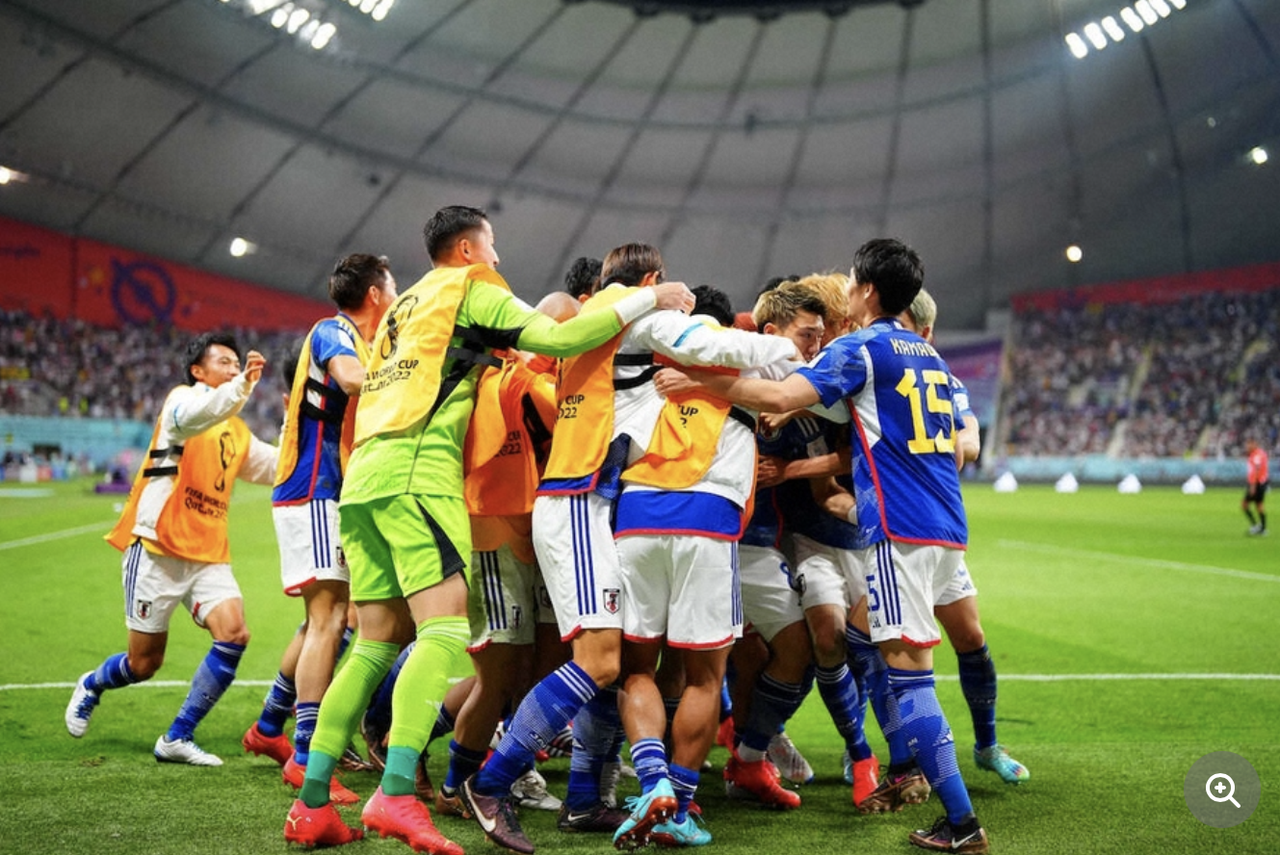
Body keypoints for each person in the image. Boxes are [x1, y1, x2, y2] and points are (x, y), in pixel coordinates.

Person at [282, 206, 695, 854]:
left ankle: (311, 804)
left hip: (363, 479)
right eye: (492, 246)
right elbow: (558, 339)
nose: (499, 259)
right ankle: (395, 793)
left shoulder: (405, 304)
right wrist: (647, 300)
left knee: (374, 644)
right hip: (418, 476)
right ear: (469, 249)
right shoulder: (472, 287)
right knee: (444, 633)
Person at [457, 246, 796, 854]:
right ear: (651, 279)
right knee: (602, 664)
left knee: (611, 662)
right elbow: (716, 345)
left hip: (596, 504)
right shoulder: (634, 312)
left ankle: (587, 793)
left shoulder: (595, 324)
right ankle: (490, 782)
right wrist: (787, 349)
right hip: (581, 501)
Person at [655, 238, 989, 854]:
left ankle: (960, 820)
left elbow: (783, 395)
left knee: (908, 676)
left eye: (853, 283)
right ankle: (916, 783)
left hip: (898, 530)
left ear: (867, 289)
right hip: (947, 525)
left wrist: (701, 379)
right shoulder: (931, 357)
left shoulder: (861, 347)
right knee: (899, 663)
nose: (848, 293)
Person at [65, 332, 278, 766]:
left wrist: (301, 433)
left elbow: (275, 465)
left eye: (236, 363)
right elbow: (200, 413)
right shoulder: (182, 402)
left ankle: (177, 736)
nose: (233, 368)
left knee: (235, 633)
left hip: (208, 556)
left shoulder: (236, 430)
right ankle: (92, 683)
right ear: (198, 371)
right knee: (144, 664)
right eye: (223, 362)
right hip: (157, 548)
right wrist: (241, 387)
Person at [242, 254, 398, 802]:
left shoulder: (359, 339)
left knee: (323, 620)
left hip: (326, 491)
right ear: (375, 294)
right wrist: (405, 377)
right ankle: (308, 757)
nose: (396, 295)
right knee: (330, 619)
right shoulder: (334, 332)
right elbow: (352, 381)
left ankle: (272, 727)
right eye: (392, 287)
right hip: (315, 490)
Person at [1244, 438, 1269, 535]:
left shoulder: (1257, 455)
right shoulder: (1259, 454)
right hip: (1260, 483)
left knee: (1245, 504)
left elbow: (1256, 470)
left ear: (1255, 444)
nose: (1247, 446)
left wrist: (1253, 485)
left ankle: (1257, 526)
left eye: (1249, 444)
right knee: (1259, 505)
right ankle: (1262, 528)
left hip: (1257, 483)